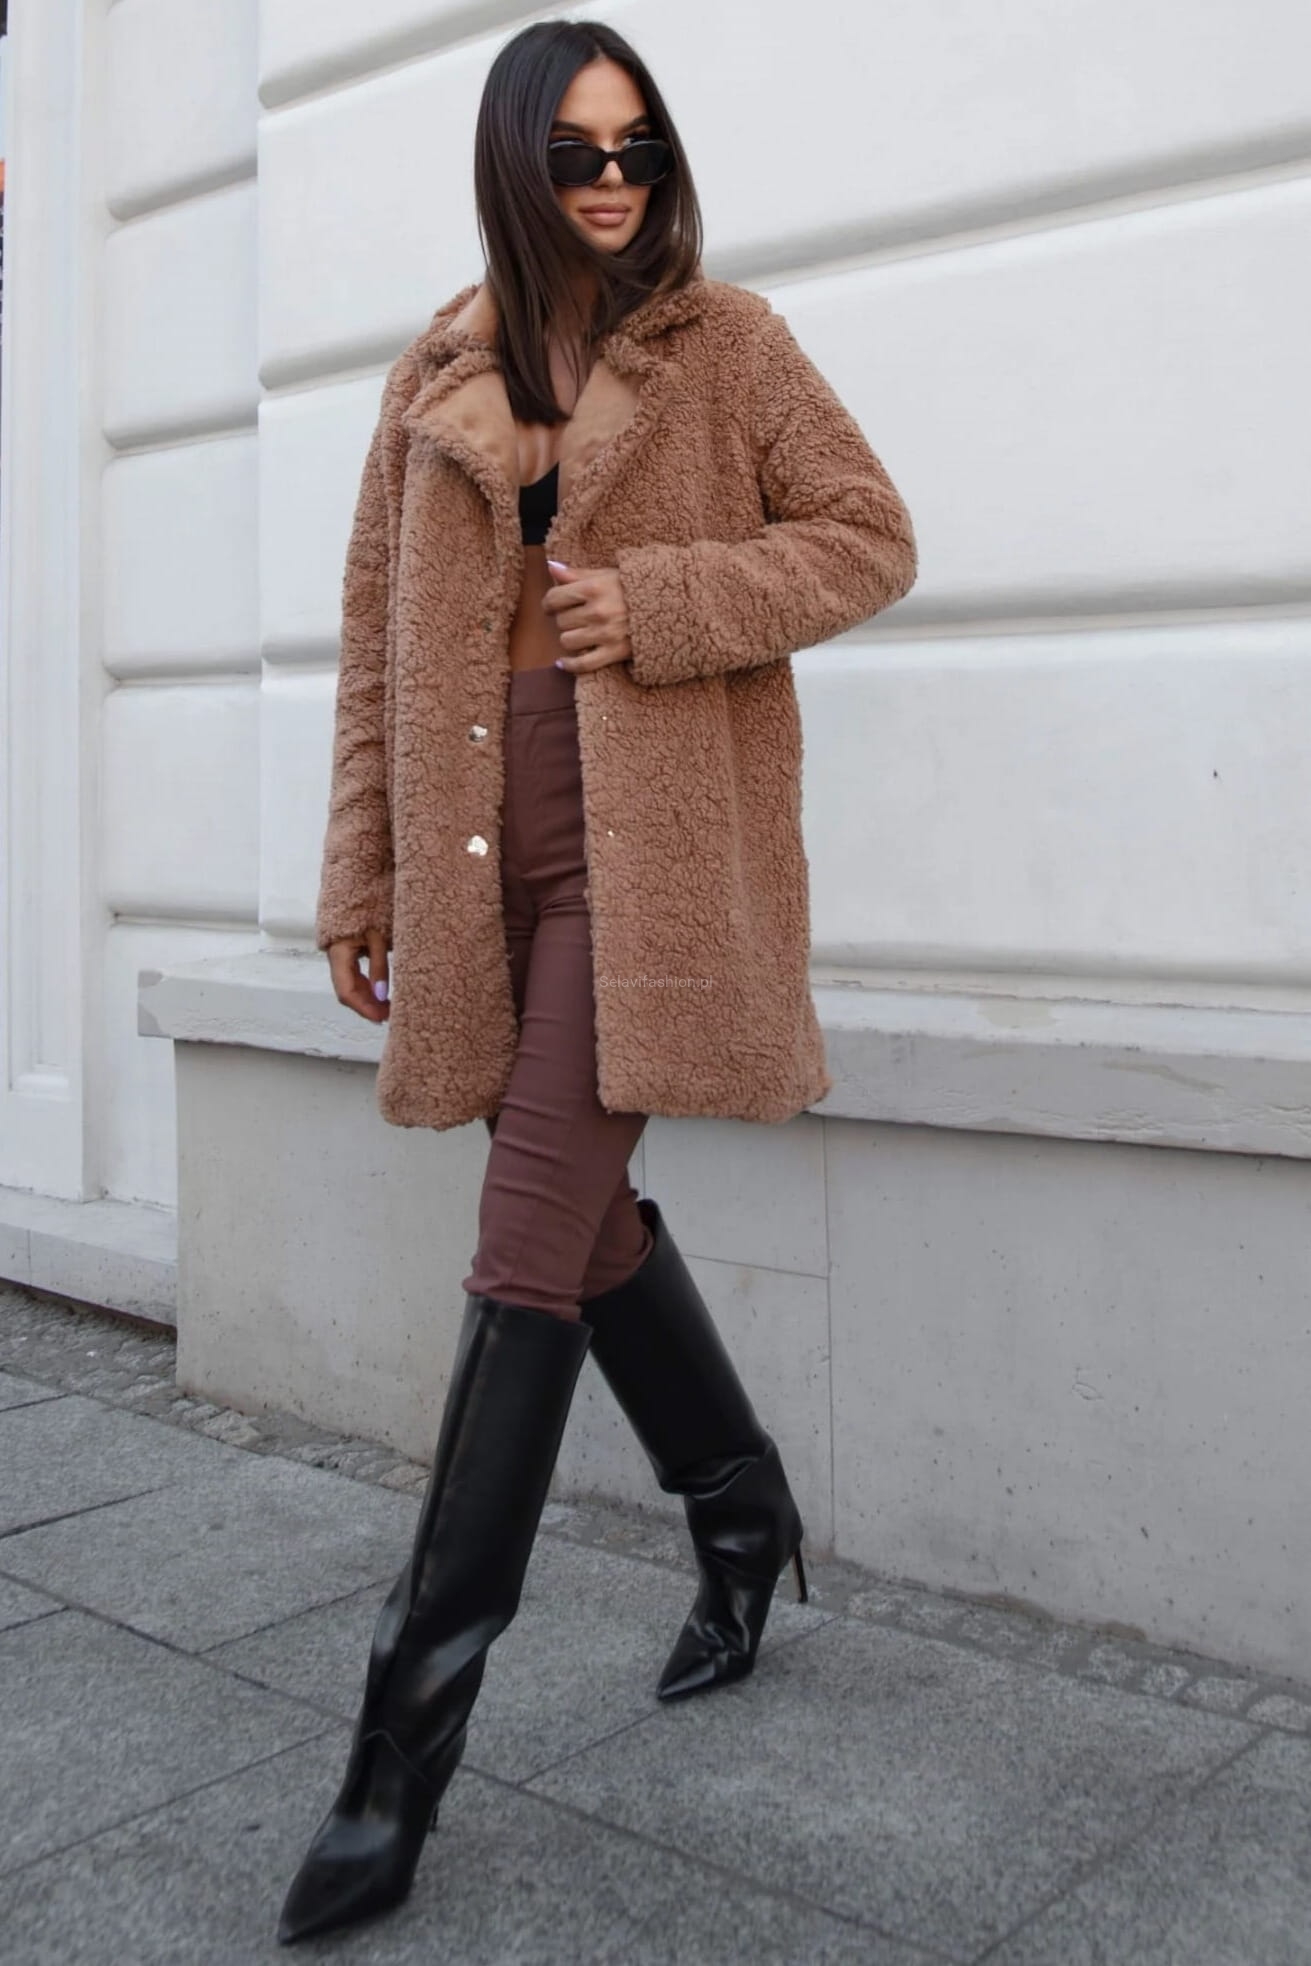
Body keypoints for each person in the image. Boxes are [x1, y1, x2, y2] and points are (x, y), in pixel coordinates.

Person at [276, 15, 917, 1946]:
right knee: (582, 1219)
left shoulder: (731, 347)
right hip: (484, 863)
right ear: (514, 165)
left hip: (654, 868)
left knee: (522, 1238)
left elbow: (868, 538)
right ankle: (741, 1506)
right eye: (574, 152)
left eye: (637, 145)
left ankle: (396, 1757)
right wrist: (360, 871)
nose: (615, 180)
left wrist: (666, 602)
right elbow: (376, 646)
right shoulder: (432, 375)